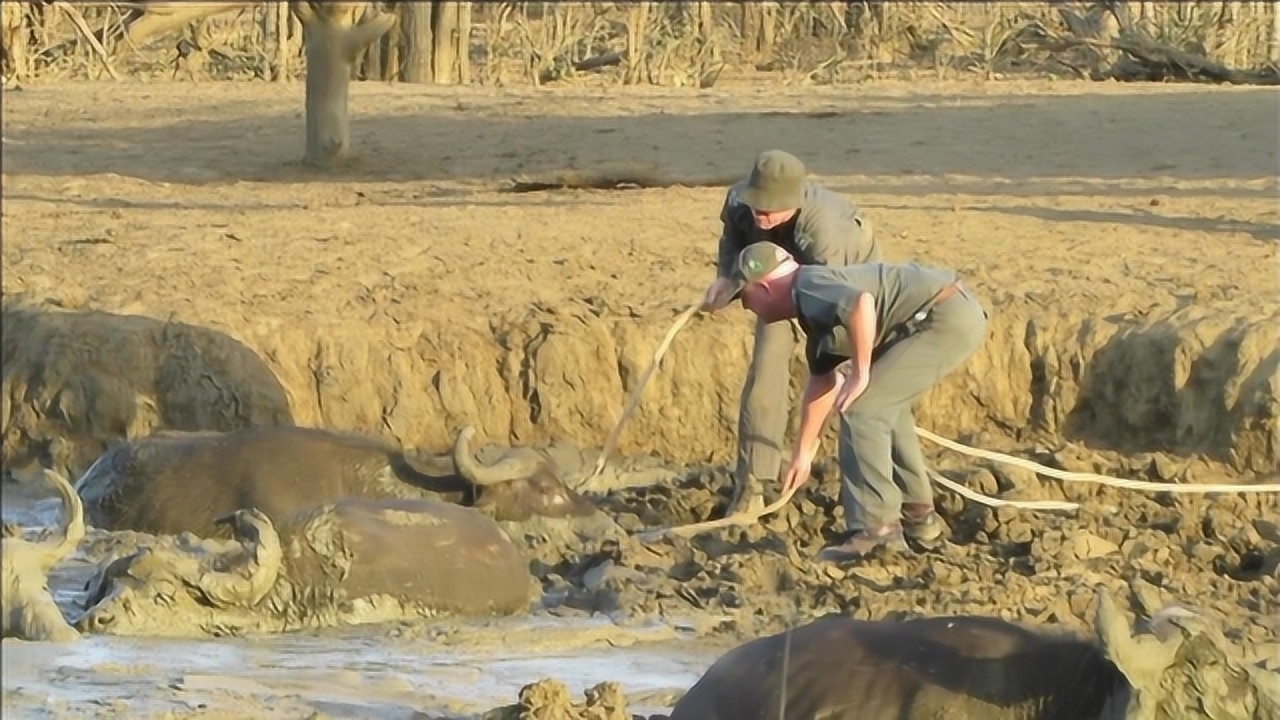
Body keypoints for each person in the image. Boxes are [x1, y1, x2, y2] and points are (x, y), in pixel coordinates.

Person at [725, 241, 989, 561]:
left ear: (765, 289)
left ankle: (877, 531)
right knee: (887, 409)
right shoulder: (813, 307)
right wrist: (802, 454)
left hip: (940, 317)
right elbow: (821, 383)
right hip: (946, 312)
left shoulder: (808, 286)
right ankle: (919, 519)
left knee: (863, 408)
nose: (746, 307)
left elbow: (860, 303)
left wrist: (861, 371)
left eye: (745, 297)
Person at [701, 149, 880, 517]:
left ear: (794, 204)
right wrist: (725, 277)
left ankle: (867, 491)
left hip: (847, 281)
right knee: (767, 364)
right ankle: (754, 481)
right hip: (775, 274)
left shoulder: (827, 232)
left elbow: (835, 297)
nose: (760, 215)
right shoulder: (739, 200)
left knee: (857, 381)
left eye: (770, 210)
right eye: (756, 206)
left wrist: (828, 358)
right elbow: (732, 238)